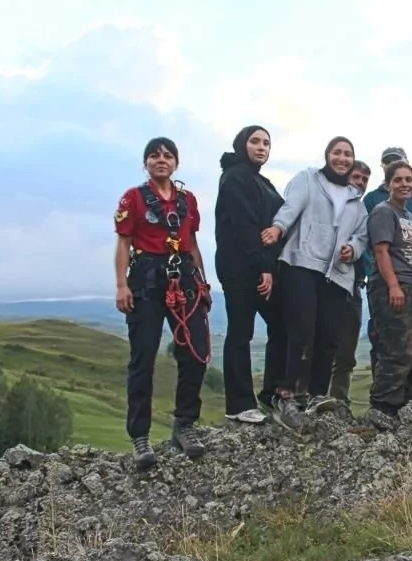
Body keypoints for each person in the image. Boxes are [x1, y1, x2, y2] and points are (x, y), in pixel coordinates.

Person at [113, 137, 211, 470]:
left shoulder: (188, 200)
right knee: (143, 358)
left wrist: (201, 280)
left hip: (183, 276)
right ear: (146, 163)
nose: (161, 160)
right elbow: (124, 243)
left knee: (196, 351)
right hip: (146, 278)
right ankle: (140, 436)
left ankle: (184, 424)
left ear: (176, 163)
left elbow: (193, 242)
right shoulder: (134, 198)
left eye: (168, 156)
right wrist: (121, 285)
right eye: (154, 156)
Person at [260, 136, 368, 427]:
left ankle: (317, 395)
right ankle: (285, 393)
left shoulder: (357, 201)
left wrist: (353, 250)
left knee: (329, 337)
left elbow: (362, 236)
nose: (342, 158)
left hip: (338, 274)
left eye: (348, 154)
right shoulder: (307, 179)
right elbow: (290, 209)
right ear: (327, 155)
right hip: (302, 262)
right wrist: (278, 228)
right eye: (337, 152)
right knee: (300, 329)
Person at [214, 125, 287, 425]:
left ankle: (271, 393)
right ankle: (240, 404)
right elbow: (244, 226)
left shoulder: (262, 181)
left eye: (266, 143)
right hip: (241, 267)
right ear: (241, 144)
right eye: (255, 141)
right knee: (241, 332)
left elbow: (277, 220)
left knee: (282, 325)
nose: (261, 147)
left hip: (262, 265)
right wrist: (263, 267)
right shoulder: (235, 177)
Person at [361, 147, 412, 383]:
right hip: (395, 288)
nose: (404, 184)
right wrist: (393, 286)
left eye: (409, 179)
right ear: (388, 184)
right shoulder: (382, 211)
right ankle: (386, 406)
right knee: (397, 352)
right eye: (398, 180)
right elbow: (380, 250)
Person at [329, 160, 372, 406]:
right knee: (319, 346)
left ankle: (339, 402)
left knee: (346, 352)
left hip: (354, 286)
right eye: (356, 177)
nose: (360, 183)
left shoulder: (364, 212)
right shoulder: (330, 204)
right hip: (326, 284)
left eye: (365, 180)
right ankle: (308, 398)